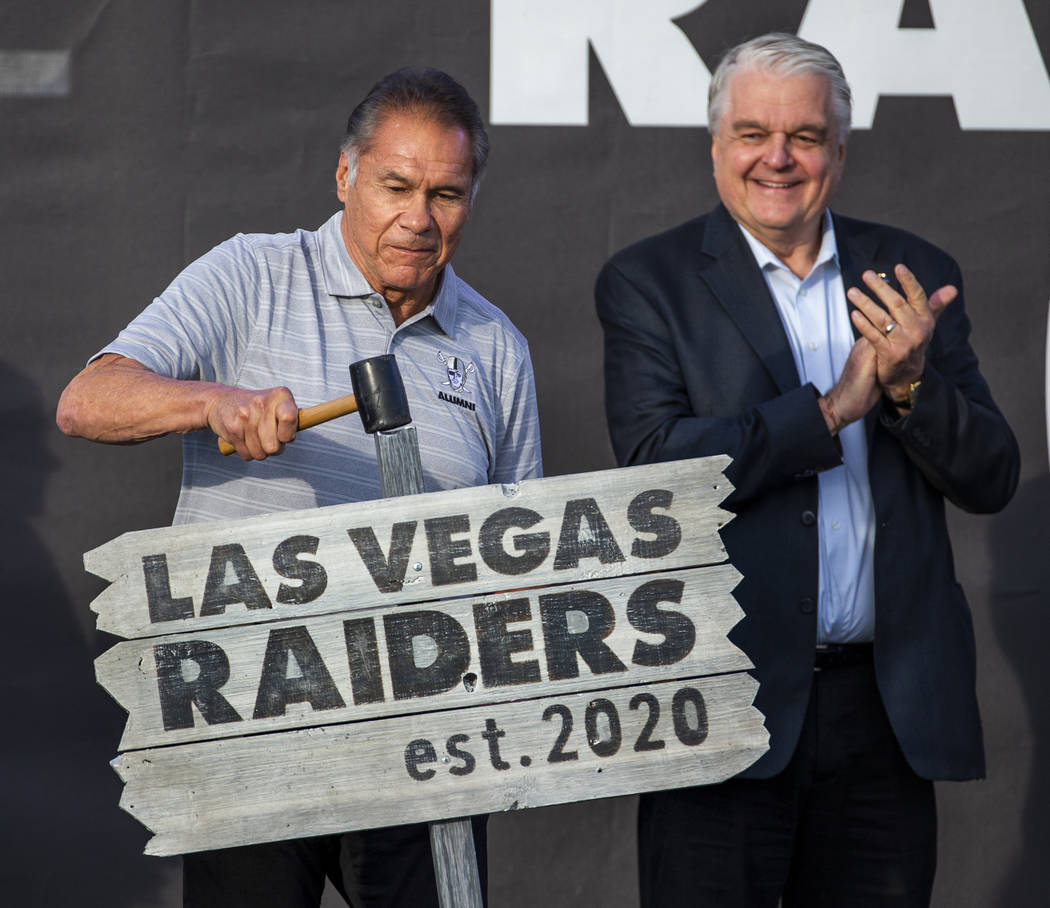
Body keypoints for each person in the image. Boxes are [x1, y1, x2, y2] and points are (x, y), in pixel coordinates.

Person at [57, 67, 541, 907]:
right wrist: (215, 400)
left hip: (426, 738)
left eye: (447, 195)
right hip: (249, 715)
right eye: (396, 185)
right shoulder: (251, 275)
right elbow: (87, 399)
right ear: (345, 174)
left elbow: (522, 551)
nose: (419, 220)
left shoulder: (495, 346)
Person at [595, 33, 1018, 908]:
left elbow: (991, 476)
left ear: (840, 150)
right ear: (716, 146)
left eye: (805, 136)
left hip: (882, 716)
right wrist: (830, 413)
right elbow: (653, 472)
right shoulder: (649, 283)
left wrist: (909, 388)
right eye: (752, 133)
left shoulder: (913, 275)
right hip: (720, 702)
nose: (777, 159)